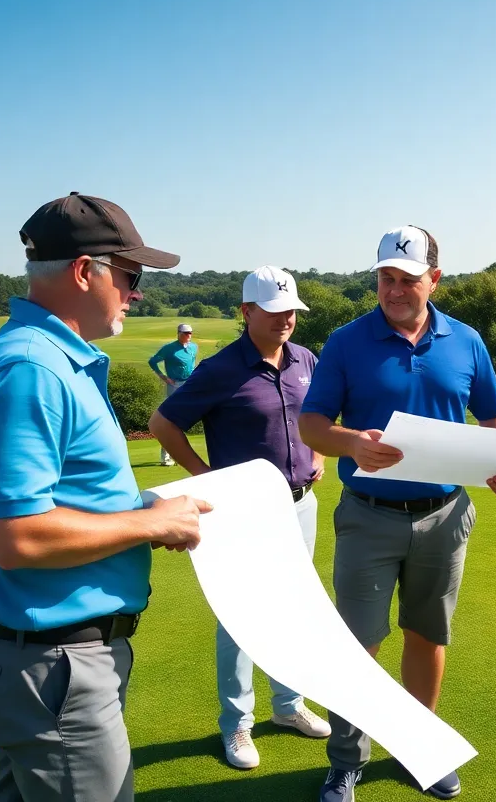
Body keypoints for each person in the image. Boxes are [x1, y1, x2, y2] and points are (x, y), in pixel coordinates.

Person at [0, 192, 211, 802]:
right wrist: (152, 525)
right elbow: (19, 536)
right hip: (51, 662)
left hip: (49, 658)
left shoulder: (51, 360)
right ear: (84, 271)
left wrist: (144, 514)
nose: (135, 291)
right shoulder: (32, 369)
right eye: (130, 274)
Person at [299, 226, 496, 802]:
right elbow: (312, 425)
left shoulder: (465, 340)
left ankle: (419, 747)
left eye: (407, 279)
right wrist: (352, 443)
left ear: (435, 278)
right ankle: (346, 760)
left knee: (427, 635)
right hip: (368, 515)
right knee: (358, 643)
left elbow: (495, 417)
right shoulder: (346, 342)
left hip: (446, 514)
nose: (394, 290)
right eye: (385, 278)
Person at [149, 264, 332, 770]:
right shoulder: (221, 369)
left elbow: (318, 419)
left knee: (294, 608)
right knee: (242, 618)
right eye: (274, 312)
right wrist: (204, 477)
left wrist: (317, 457)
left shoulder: (305, 360)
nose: (286, 320)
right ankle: (238, 724)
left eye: (291, 310)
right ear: (246, 312)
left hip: (300, 504)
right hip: (244, 512)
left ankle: (289, 705)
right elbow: (162, 423)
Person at [148, 323, 198, 465]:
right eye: (185, 333)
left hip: (189, 384)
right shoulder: (169, 348)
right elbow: (152, 362)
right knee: (170, 419)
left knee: (187, 418)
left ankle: (178, 453)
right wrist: (163, 377)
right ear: (179, 333)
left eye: (190, 333)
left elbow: (192, 364)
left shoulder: (194, 347)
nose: (188, 335)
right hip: (174, 384)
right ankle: (166, 456)